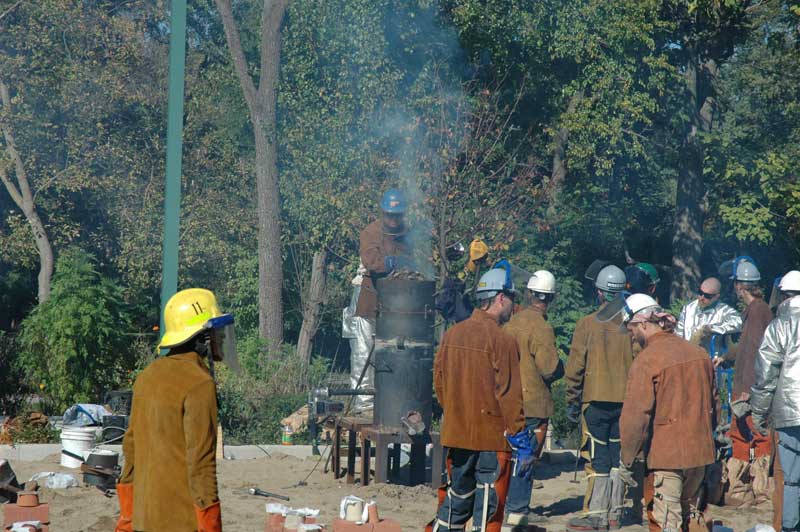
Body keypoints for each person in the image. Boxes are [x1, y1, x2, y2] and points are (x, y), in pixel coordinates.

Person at [116, 288, 236, 532]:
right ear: (202, 337)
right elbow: (200, 462)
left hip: (143, 518)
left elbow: (131, 447)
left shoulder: (146, 377)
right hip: (181, 523)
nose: (222, 338)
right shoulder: (200, 384)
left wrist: (128, 517)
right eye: (217, 332)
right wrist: (211, 525)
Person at [427, 268, 533, 532]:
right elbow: (509, 394)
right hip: (491, 439)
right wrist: (520, 436)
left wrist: (455, 412)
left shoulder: (452, 334)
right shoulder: (502, 340)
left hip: (457, 433)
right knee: (488, 505)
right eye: (511, 298)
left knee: (457, 498)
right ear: (499, 298)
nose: (513, 305)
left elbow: (439, 384)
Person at [618, 294, 716, 532]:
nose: (631, 335)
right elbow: (714, 408)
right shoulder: (699, 354)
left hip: (667, 459)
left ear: (643, 323)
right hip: (699, 456)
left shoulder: (647, 360)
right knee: (691, 520)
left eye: (631, 329)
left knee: (667, 523)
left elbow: (636, 417)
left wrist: (628, 459)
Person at [565, 265, 634, 532]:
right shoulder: (631, 326)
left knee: (597, 459)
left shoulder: (587, 324)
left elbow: (575, 369)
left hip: (594, 403)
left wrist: (572, 400)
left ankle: (596, 515)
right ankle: (615, 514)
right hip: (625, 404)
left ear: (600, 293)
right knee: (617, 458)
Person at [503, 270, 564, 527]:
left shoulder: (511, 322)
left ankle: (505, 505)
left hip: (508, 400)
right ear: (550, 298)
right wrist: (561, 366)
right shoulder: (542, 327)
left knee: (508, 456)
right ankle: (517, 510)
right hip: (533, 404)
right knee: (525, 459)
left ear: (529, 294)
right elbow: (548, 368)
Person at [714, 263, 773, 506]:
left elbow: (761, 352)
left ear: (740, 286)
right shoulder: (754, 311)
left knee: (756, 436)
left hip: (751, 387)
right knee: (739, 434)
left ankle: (758, 493)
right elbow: (746, 348)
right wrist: (726, 357)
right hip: (748, 385)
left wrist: (751, 390)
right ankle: (740, 492)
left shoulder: (759, 312)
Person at [351, 188, 413, 410]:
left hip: (398, 307)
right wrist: (392, 263)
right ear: (383, 212)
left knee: (398, 354)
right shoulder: (370, 233)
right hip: (370, 302)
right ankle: (364, 404)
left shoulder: (409, 234)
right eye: (389, 215)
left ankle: (394, 401)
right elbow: (372, 262)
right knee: (363, 353)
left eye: (397, 215)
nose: (393, 219)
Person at [750, 270, 800, 532]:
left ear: (782, 295)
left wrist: (758, 414)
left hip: (789, 414)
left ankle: (791, 527)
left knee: (792, 480)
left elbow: (765, 374)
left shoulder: (779, 326)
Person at [675, 277, 742, 347]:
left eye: (707, 296)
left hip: (711, 356)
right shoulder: (688, 308)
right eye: (700, 293)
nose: (701, 298)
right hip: (689, 354)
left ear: (716, 296)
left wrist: (711, 329)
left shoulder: (723, 310)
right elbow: (678, 335)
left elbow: (738, 322)